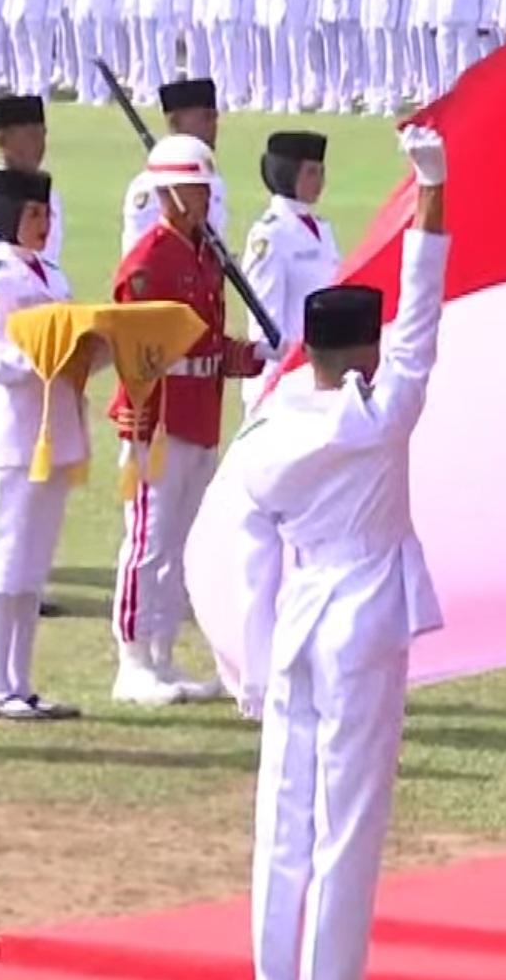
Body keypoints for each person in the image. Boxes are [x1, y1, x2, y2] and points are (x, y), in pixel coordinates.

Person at [231, 123, 447, 980]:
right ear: (362, 354)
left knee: (283, 832)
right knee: (345, 834)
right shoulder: (380, 412)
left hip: (299, 620)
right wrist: (432, 191)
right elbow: (424, 315)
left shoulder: (277, 425)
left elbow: (251, 538)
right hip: (361, 618)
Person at [109, 134, 268, 707]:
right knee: (147, 542)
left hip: (200, 410)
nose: (205, 199)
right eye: (196, 189)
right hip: (161, 417)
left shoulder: (205, 255)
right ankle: (132, 658)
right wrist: (138, 426)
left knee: (181, 545)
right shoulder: (149, 262)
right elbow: (136, 351)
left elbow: (205, 343)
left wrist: (251, 357)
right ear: (170, 194)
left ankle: (163, 652)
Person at [0, 168, 93, 722]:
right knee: (4, 564)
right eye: (34, 214)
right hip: (17, 434)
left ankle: (21, 680)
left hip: (55, 428)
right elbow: (1, 362)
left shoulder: (51, 275)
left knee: (32, 567)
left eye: (47, 214)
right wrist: (53, 356)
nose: (44, 224)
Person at [0, 95, 68, 617]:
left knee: (29, 477)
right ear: (2, 140)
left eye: (42, 131)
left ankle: (22, 581)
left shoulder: (44, 196)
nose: (39, 142)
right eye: (28, 134)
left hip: (41, 350)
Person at [241, 131, 342, 412]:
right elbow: (265, 323)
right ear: (287, 173)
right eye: (310, 172)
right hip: (282, 380)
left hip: (319, 373)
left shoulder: (322, 228)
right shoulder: (270, 234)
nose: (319, 181)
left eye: (322, 171)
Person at [121, 78, 232, 255]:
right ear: (176, 121)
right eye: (206, 118)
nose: (214, 126)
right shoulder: (151, 187)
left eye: (215, 118)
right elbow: (140, 256)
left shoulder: (213, 180)